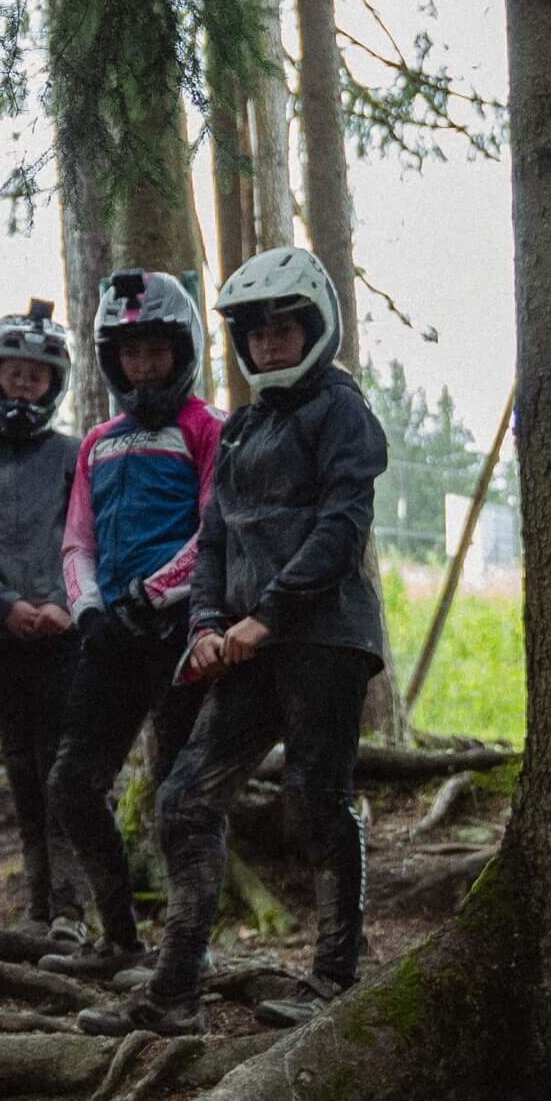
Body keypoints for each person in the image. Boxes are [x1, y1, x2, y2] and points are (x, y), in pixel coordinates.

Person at [128, 246, 389, 1037]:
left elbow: (341, 528)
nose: (270, 345)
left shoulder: (341, 410)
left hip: (323, 639)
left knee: (317, 799)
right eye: (257, 334)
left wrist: (266, 615)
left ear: (316, 328)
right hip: (243, 645)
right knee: (182, 798)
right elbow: (212, 540)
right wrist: (206, 625)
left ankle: (335, 979)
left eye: (285, 330)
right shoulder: (242, 426)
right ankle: (175, 989)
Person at [46, 270, 225, 971]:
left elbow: (214, 528)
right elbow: (75, 538)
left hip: (183, 637)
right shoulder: (96, 443)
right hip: (109, 640)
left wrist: (150, 598)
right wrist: (90, 608)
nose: (143, 367)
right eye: (129, 354)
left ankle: (189, 951)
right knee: (71, 784)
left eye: (155, 352)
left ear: (182, 352)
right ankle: (117, 939)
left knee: (185, 799)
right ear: (109, 359)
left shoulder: (208, 429)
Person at [0, 300, 85, 942]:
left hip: (67, 635)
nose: (26, 385)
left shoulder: (75, 456)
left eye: (38, 375)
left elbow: (89, 535)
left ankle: (72, 909)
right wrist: (5, 605)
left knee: (66, 768)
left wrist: (65, 601)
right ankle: (40, 906)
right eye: (15, 374)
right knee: (22, 772)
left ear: (54, 385)